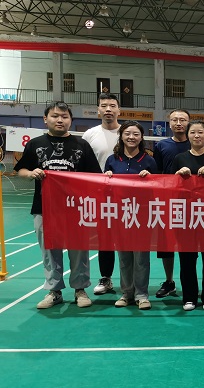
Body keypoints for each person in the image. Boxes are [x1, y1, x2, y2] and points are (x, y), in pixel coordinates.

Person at [14, 101, 102, 309]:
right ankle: (54, 291)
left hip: (76, 208)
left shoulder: (82, 145)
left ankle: (80, 289)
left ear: (71, 120)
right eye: (55, 116)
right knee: (49, 250)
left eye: (64, 116)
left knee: (79, 250)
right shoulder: (35, 144)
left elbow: (95, 175)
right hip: (44, 208)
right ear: (46, 119)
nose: (60, 120)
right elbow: (21, 170)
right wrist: (31, 173)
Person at [171, 120, 204, 311]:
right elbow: (170, 185)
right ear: (188, 135)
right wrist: (179, 174)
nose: (196, 136)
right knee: (187, 258)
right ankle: (189, 297)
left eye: (200, 132)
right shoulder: (179, 158)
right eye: (193, 132)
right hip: (186, 215)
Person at [104, 121, 158, 310]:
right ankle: (126, 293)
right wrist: (107, 177)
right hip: (120, 214)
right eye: (127, 133)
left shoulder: (149, 161)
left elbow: (158, 188)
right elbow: (104, 188)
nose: (131, 137)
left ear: (141, 138)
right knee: (124, 257)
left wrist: (150, 178)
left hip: (141, 215)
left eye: (136, 134)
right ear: (121, 136)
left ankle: (141, 295)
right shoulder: (112, 160)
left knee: (141, 258)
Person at [82, 93, 121, 296]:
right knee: (105, 239)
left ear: (119, 110)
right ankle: (106, 278)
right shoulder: (90, 134)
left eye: (112, 105)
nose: (108, 109)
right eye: (104, 105)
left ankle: (133, 280)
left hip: (126, 196)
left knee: (129, 238)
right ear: (98, 110)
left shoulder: (127, 132)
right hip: (99, 196)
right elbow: (81, 163)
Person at [153, 109, 191, 299]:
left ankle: (190, 283)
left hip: (191, 203)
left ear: (188, 122)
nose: (178, 123)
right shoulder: (162, 145)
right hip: (167, 201)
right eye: (175, 120)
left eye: (182, 120)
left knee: (188, 245)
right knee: (166, 244)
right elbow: (157, 173)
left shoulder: (195, 142)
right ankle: (169, 281)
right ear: (169, 123)